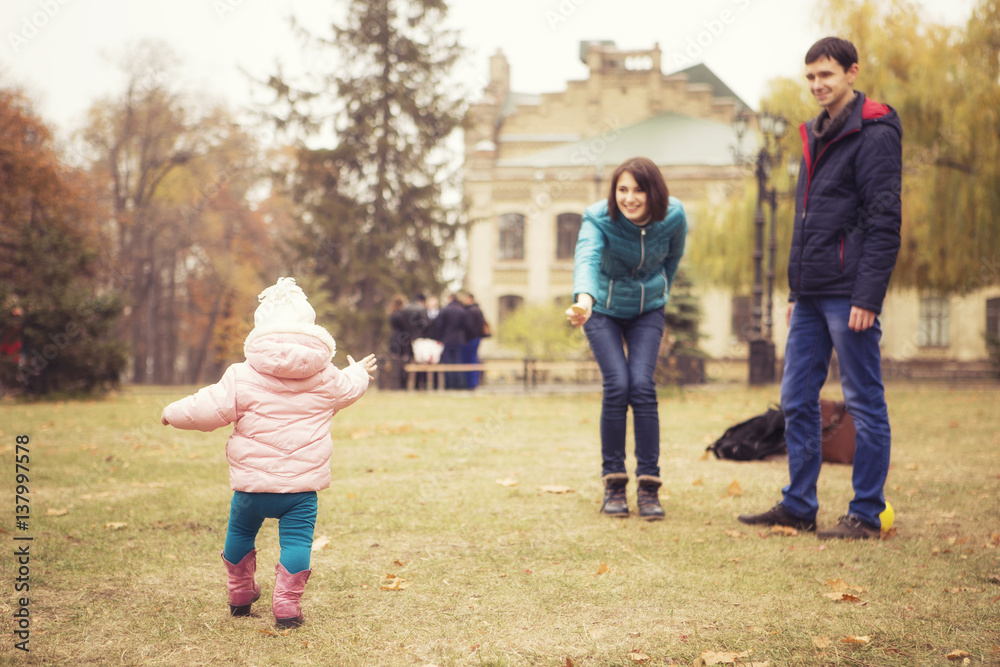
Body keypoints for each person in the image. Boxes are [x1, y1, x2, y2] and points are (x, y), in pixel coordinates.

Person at [737, 37, 902, 540]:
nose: (817, 85)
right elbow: (804, 219)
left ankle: (867, 514)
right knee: (797, 400)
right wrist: (794, 289)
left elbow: (883, 219)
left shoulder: (874, 130)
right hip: (809, 295)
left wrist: (867, 297)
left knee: (864, 401)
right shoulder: (814, 131)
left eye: (826, 75)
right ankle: (798, 504)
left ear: (852, 73)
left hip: (849, 293)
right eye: (810, 77)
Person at [160, 277, 377, 627]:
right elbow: (350, 387)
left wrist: (172, 412)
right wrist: (358, 371)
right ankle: (287, 608)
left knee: (240, 534)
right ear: (311, 330)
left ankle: (240, 594)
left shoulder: (241, 375)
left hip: (251, 486)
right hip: (301, 490)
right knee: (296, 541)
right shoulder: (327, 376)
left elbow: (206, 407)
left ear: (261, 330)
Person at [566, 156, 687, 521]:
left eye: (638, 190)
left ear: (655, 192)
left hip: (647, 310)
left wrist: (658, 291)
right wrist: (584, 299)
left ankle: (649, 487)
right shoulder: (598, 217)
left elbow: (673, 260)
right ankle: (614, 483)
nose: (629, 198)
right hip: (600, 308)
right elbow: (586, 258)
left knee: (642, 386)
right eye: (622, 189)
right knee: (618, 384)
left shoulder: (674, 215)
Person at [432, 293, 475, 390]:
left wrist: (439, 338)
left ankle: (448, 384)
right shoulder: (462, 311)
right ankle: (458, 384)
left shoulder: (444, 311)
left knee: (447, 363)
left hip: (447, 339)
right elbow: (467, 326)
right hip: (458, 339)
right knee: (458, 362)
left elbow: (439, 326)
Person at [459, 291, 488, 389]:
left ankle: (470, 383)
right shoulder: (478, 310)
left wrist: (466, 338)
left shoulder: (470, 311)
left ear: (470, 299)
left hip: (471, 339)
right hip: (476, 338)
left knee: (470, 361)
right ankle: (473, 382)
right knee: (473, 359)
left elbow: (470, 327)